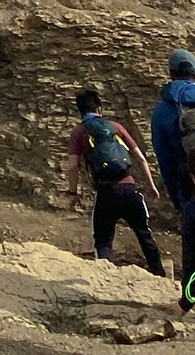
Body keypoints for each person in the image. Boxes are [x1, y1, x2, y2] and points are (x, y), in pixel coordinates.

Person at [65, 86, 166, 273]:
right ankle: (159, 274)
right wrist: (151, 185)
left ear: (80, 111)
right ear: (100, 109)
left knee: (103, 241)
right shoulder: (115, 127)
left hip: (105, 193)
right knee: (145, 235)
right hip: (129, 189)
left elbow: (72, 167)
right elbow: (140, 158)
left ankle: (108, 277)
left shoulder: (79, 132)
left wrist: (73, 193)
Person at [151, 50, 195, 213]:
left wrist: (177, 201)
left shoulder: (161, 112)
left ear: (171, 74)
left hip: (187, 182)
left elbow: (165, 162)